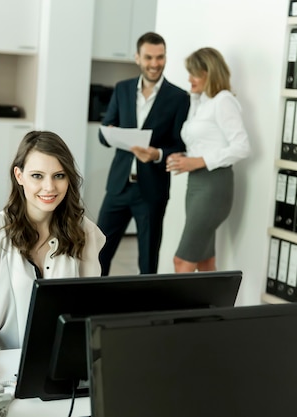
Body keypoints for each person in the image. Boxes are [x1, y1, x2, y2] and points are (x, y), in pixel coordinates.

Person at [0, 130, 106, 383]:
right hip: (5, 364)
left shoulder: (86, 234)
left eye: (59, 176)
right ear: (19, 176)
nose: (49, 187)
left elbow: (89, 310)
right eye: (37, 176)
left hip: (64, 364)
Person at [96, 31, 190, 276]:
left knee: (148, 260)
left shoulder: (179, 98)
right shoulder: (122, 89)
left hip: (152, 190)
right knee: (98, 252)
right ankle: (91, 305)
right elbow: (104, 131)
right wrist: (111, 133)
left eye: (160, 57)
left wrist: (157, 154)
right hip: (118, 187)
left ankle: (145, 311)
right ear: (137, 58)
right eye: (149, 57)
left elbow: (181, 145)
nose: (154, 64)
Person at [166, 47, 251, 273]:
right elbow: (206, 142)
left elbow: (242, 146)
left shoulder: (223, 101)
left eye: (194, 73)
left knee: (182, 261)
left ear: (209, 73)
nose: (189, 79)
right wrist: (186, 157)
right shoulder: (201, 101)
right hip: (196, 185)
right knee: (205, 262)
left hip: (214, 186)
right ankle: (211, 308)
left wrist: (199, 161)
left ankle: (181, 310)